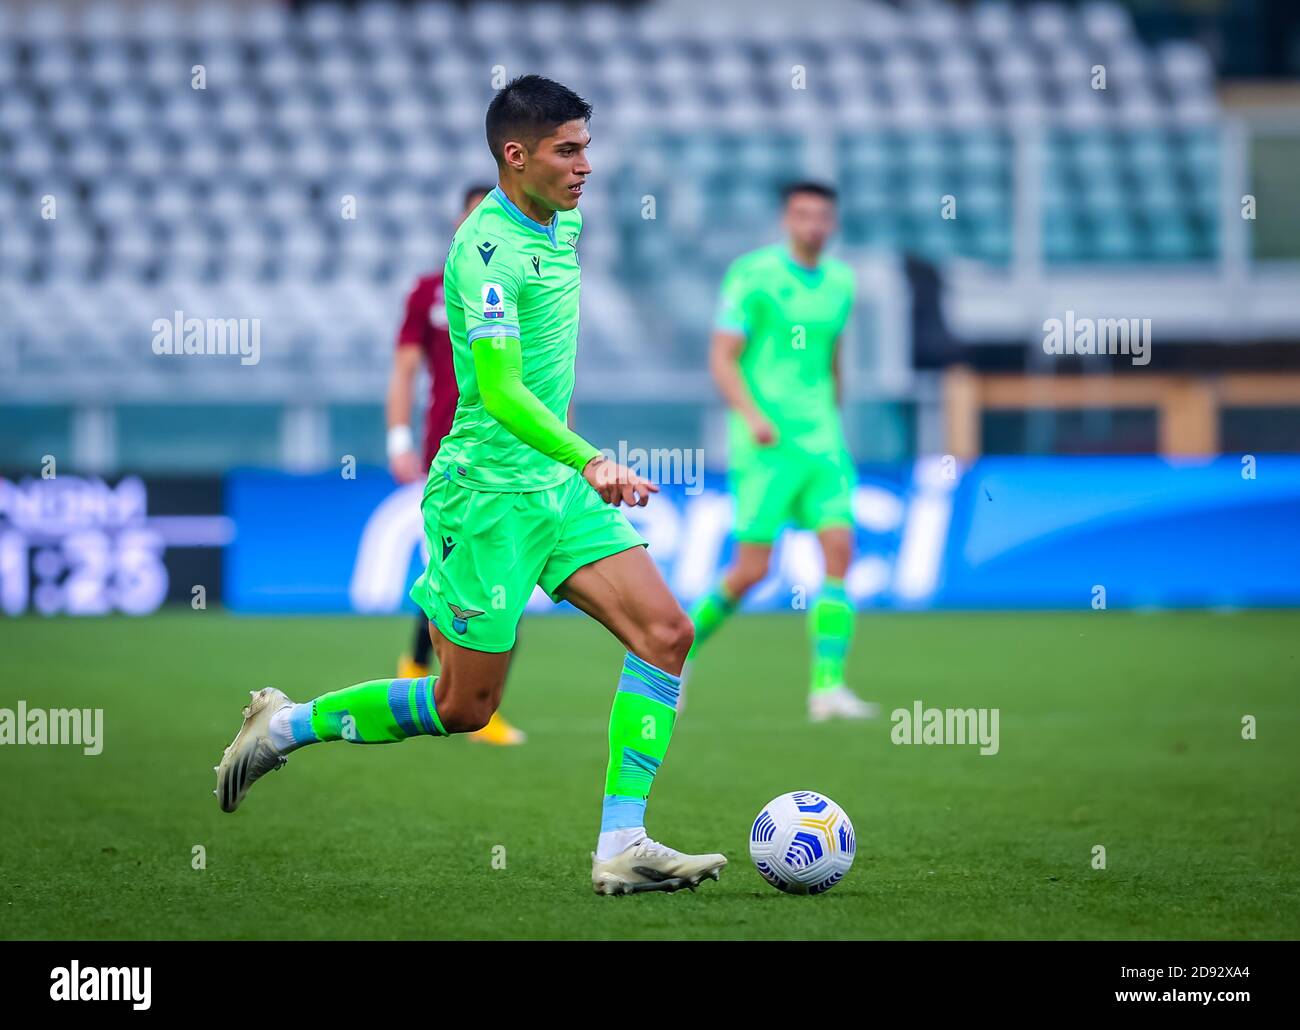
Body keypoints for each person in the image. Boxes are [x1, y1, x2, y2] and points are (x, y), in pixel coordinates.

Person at [215, 75, 726, 896]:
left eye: (587, 145)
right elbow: (499, 389)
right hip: (485, 497)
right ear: (514, 156)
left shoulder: (562, 222)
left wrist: (570, 468)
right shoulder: (482, 249)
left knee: (666, 634)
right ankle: (285, 725)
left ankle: (622, 842)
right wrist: (590, 457)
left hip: (552, 491)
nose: (586, 164)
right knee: (463, 708)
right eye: (569, 150)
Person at [687, 182, 877, 722]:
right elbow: (723, 357)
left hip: (822, 442)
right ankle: (678, 649)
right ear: (786, 220)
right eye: (803, 214)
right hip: (766, 445)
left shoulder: (841, 282)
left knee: (840, 551)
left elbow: (833, 353)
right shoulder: (753, 275)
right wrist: (752, 416)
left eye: (822, 215)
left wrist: (836, 413)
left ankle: (828, 687)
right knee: (751, 570)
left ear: (833, 223)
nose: (813, 224)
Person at [386, 182, 525, 746]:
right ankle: (432, 684)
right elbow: (405, 368)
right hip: (450, 455)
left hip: (514, 458)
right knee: (456, 576)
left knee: (500, 582)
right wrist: (398, 437)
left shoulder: (522, 284)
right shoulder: (430, 291)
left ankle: (445, 689)